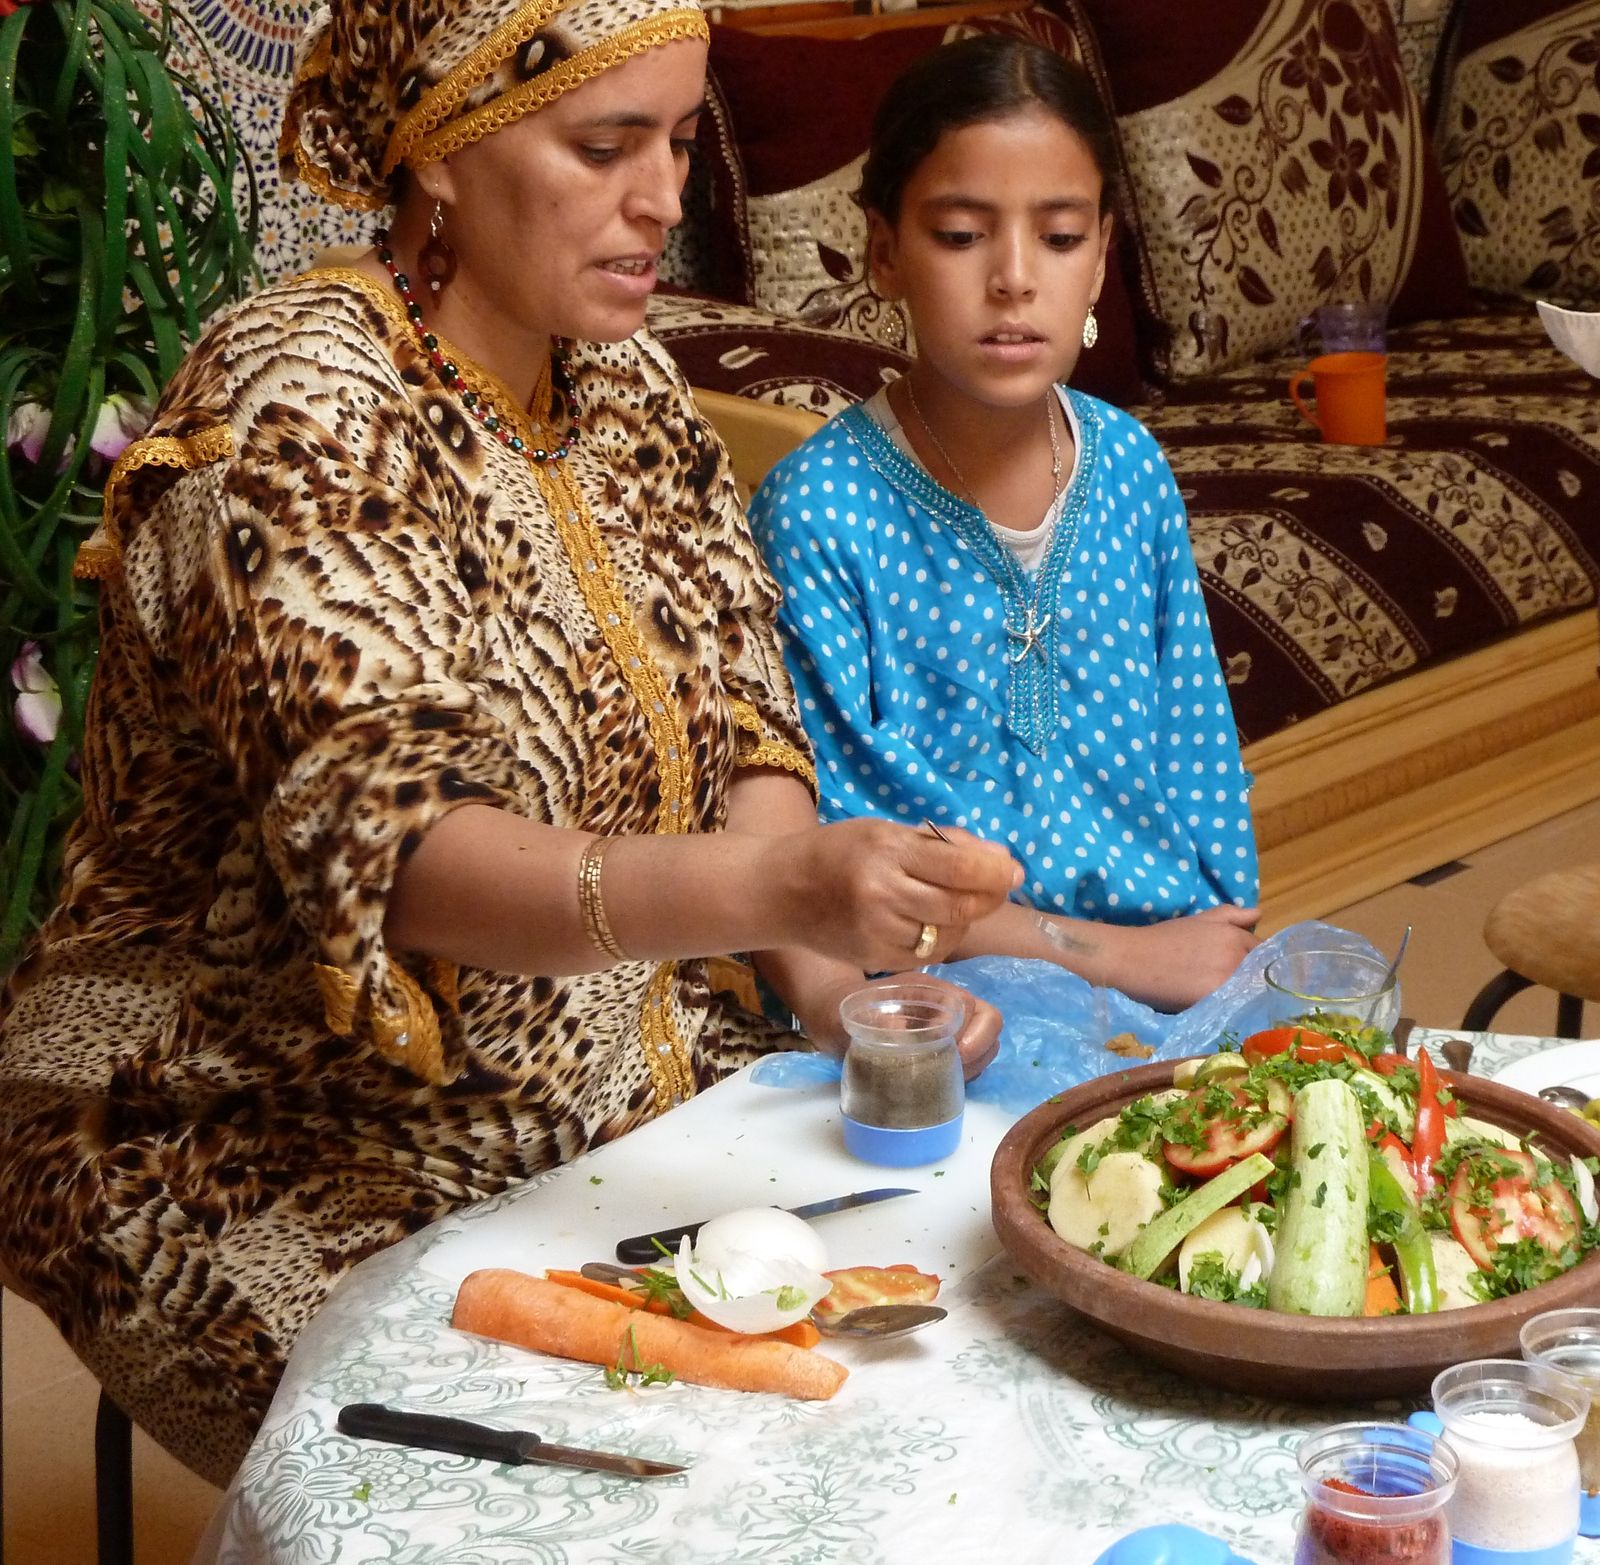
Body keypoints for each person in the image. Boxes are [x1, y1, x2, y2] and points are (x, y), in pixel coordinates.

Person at [0, 0, 1020, 1484]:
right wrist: (781, 892)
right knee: (571, 1488)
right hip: (238, 1123)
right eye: (604, 147)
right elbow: (405, 854)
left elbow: (743, 719)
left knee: (928, 1351)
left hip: (604, 1067)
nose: (663, 199)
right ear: (441, 149)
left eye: (678, 144)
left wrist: (823, 981)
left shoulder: (625, 384)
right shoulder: (299, 403)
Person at [747, 36, 1260, 1013]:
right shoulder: (819, 515)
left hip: (1166, 967)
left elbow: (1199, 771)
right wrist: (1109, 956)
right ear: (884, 251)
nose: (1015, 278)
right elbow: (848, 869)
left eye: (1060, 238)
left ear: (1102, 255)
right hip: (936, 993)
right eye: (960, 235)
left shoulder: (1130, 468)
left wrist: (1213, 944)